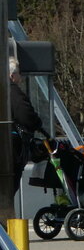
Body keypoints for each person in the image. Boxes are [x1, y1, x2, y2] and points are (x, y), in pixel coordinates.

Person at [8, 58, 43, 199]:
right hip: (10, 149)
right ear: (12, 76)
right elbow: (26, 115)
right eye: (19, 74)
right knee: (10, 185)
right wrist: (37, 124)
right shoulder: (12, 91)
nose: (21, 78)